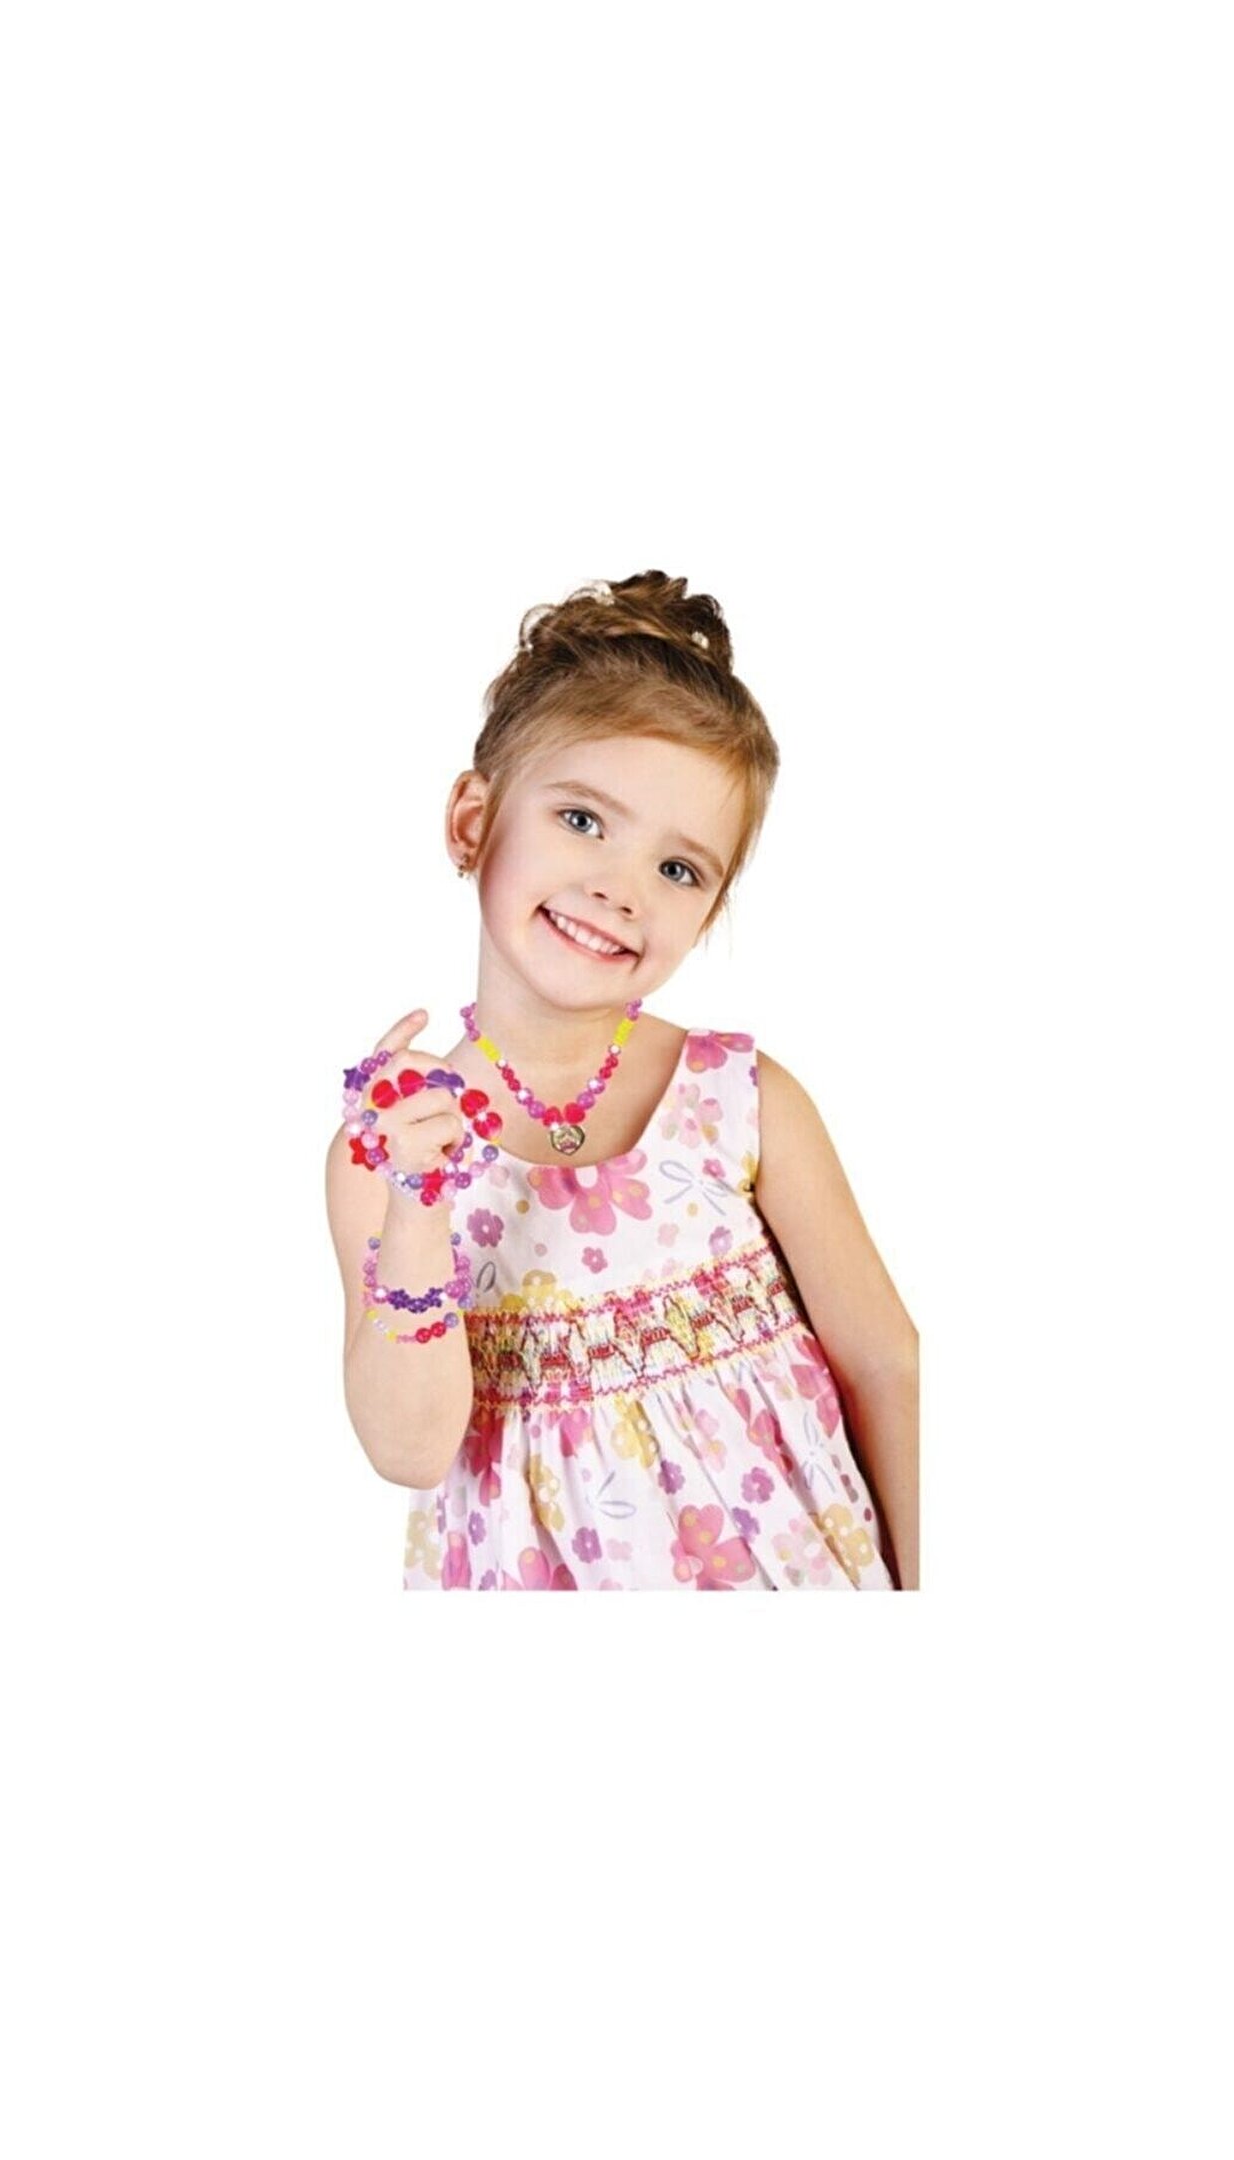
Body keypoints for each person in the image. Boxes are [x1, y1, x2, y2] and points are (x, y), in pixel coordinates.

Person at [325, 570, 920, 1590]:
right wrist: (419, 1203)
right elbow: (411, 1451)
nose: (621, 889)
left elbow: (886, 1366)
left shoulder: (744, 1101)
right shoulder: (388, 1149)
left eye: (678, 870)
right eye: (583, 821)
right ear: (472, 822)